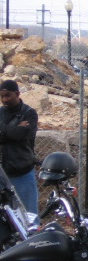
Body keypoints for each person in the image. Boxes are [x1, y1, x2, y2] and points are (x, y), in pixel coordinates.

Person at [0, 80, 39, 216]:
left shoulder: (29, 113)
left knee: (29, 215)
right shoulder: (1, 112)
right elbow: (15, 133)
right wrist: (14, 129)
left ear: (17, 94)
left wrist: (4, 131)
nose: (4, 99)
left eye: (8, 95)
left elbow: (22, 134)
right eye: (2, 96)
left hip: (22, 171)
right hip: (2, 173)